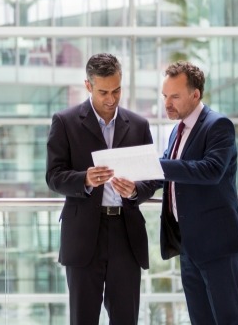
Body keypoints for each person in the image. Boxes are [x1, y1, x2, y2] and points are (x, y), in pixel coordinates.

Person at [46, 53, 159, 325]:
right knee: (83, 318)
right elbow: (53, 176)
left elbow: (154, 178)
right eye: (103, 92)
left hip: (126, 235)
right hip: (83, 235)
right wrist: (85, 179)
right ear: (88, 86)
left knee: (126, 318)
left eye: (117, 90)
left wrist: (134, 190)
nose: (111, 99)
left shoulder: (139, 125)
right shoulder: (65, 121)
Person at [158, 61, 238, 325]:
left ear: (195, 94)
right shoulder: (177, 131)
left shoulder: (218, 125)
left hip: (217, 243)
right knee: (200, 320)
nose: (167, 103)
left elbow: (211, 170)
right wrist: (134, 183)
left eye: (175, 96)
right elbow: (167, 173)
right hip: (188, 244)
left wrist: (156, 166)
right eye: (165, 96)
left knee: (228, 319)